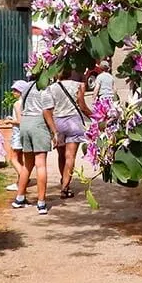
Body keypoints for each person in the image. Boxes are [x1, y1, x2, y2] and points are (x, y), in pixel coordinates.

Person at [12, 77, 59, 215]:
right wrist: (54, 131)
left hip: (25, 123)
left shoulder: (27, 87)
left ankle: (19, 198)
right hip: (38, 125)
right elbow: (46, 111)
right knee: (41, 164)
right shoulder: (45, 88)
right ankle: (41, 203)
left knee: (28, 164)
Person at [49, 68, 92, 199]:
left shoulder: (52, 88)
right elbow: (82, 106)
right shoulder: (77, 86)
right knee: (70, 156)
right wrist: (95, 117)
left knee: (61, 155)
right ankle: (65, 186)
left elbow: (49, 108)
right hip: (73, 122)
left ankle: (64, 179)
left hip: (58, 123)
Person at [2, 80, 29, 191]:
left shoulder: (17, 104)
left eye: (15, 90)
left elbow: (19, 121)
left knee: (13, 158)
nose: (13, 92)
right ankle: (20, 182)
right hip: (25, 132)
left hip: (18, 133)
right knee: (20, 158)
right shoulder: (27, 102)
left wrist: (9, 122)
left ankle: (24, 178)